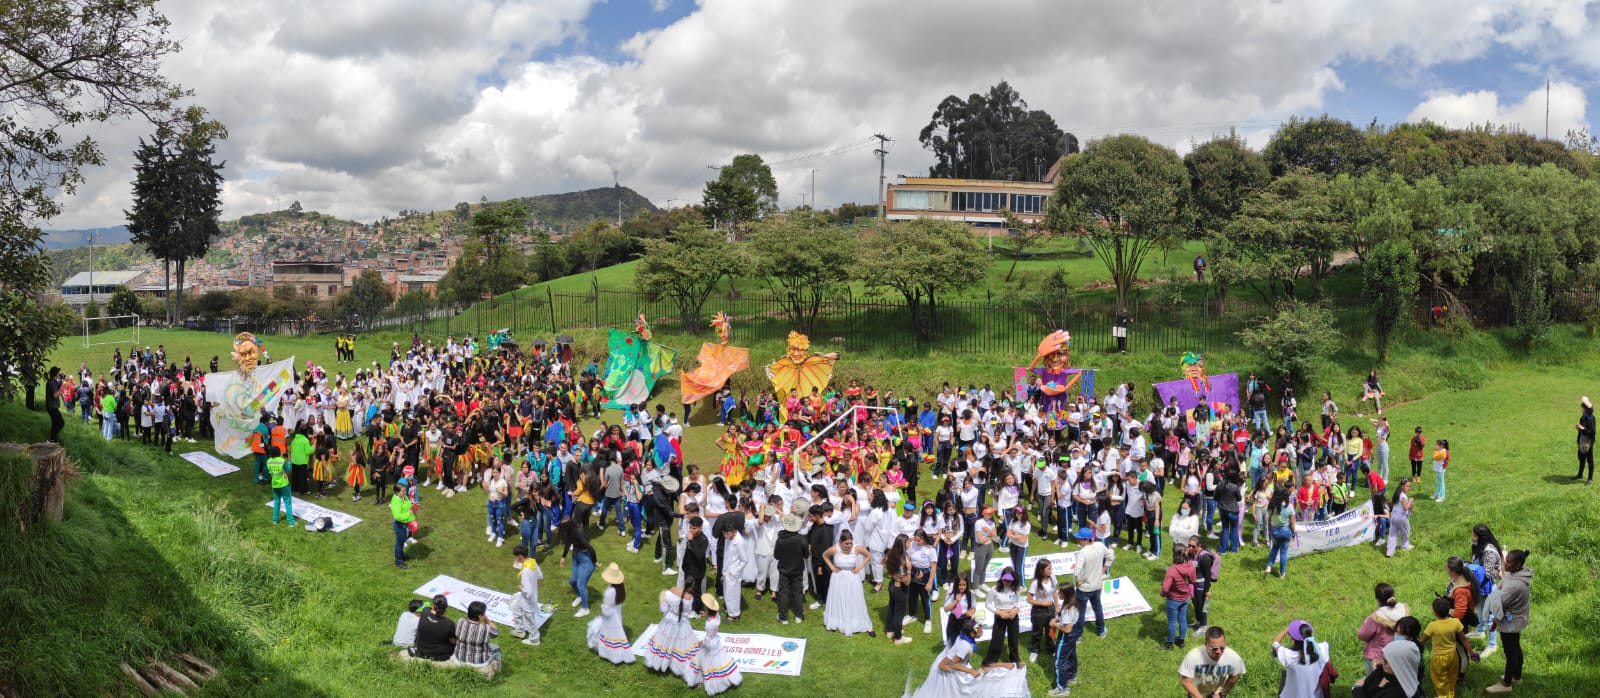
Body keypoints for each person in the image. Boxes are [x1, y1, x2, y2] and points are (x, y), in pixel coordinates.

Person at [911, 616, 1027, 698]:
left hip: (957, 664)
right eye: (979, 628)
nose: (981, 631)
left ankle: (1005, 666)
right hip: (952, 669)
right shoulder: (965, 646)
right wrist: (970, 671)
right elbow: (952, 664)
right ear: (972, 633)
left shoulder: (964, 637)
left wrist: (979, 621)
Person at [1484, 549, 1532, 694]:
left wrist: (1494, 620)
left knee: (1510, 653)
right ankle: (1517, 676)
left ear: (1518, 564)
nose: (1505, 563)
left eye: (1509, 562)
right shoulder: (1521, 574)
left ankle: (1506, 684)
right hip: (1518, 619)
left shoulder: (1514, 585)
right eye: (1506, 559)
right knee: (1516, 648)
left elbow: (1498, 604)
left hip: (1510, 623)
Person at [1422, 595, 1478, 698]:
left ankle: (1443, 696)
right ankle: (1450, 695)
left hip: (1439, 658)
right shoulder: (1455, 622)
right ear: (1449, 610)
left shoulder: (1432, 625)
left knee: (1439, 680)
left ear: (1434, 612)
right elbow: (1464, 639)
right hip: (1453, 656)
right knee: (1452, 678)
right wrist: (1472, 653)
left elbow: (1423, 641)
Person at [1353, 616, 1422, 698]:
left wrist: (1357, 690)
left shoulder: (1395, 693)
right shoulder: (1386, 670)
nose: (1382, 662)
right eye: (1396, 631)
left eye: (1386, 661)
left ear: (1401, 664)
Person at [644, 586, 700, 685]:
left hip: (668, 620)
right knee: (681, 645)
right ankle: (676, 665)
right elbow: (687, 612)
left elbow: (664, 608)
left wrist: (666, 610)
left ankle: (658, 663)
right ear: (691, 587)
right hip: (681, 622)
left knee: (664, 642)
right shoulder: (689, 599)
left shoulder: (671, 591)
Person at [823, 529, 874, 636]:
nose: (849, 545)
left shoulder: (857, 548)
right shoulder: (835, 548)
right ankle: (837, 621)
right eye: (846, 543)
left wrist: (860, 567)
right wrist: (832, 566)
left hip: (852, 577)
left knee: (855, 599)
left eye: (850, 543)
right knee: (838, 598)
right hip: (838, 577)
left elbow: (868, 556)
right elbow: (825, 555)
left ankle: (859, 623)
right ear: (841, 542)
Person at [1178, 626, 1245, 698]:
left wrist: (1222, 693)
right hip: (1196, 693)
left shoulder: (1233, 657)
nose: (1219, 652)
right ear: (1206, 645)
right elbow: (1186, 682)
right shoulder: (1193, 656)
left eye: (1222, 648)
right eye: (1214, 649)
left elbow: (1233, 678)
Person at [1357, 583, 1409, 676]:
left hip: (1378, 658)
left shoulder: (1375, 617)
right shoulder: (1403, 610)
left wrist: (1365, 622)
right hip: (1399, 654)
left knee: (1375, 684)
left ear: (1377, 599)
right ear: (1393, 596)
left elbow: (1362, 635)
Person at [587, 563, 634, 664]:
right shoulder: (620, 587)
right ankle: (614, 652)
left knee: (607, 633)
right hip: (617, 613)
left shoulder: (610, 592)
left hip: (610, 616)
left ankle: (609, 654)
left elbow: (606, 608)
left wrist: (601, 614)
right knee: (615, 634)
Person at [696, 593, 743, 695]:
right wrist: (706, 616)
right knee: (721, 662)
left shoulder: (710, 624)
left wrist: (701, 643)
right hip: (716, 642)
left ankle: (705, 681)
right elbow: (711, 620)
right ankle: (728, 680)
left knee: (706, 663)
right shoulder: (717, 616)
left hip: (710, 644)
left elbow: (708, 639)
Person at [1272, 620, 1331, 698]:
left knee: (1285, 673)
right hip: (1316, 696)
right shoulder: (1323, 648)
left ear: (1292, 639)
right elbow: (1328, 666)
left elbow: (1275, 643)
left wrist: (1288, 628)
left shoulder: (1289, 655)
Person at [1072, 527, 1113, 638]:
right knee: (1098, 608)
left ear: (1086, 540)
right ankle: (1101, 631)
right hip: (1097, 585)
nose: (1078, 541)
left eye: (1080, 539)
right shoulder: (1100, 546)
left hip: (1084, 588)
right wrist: (1103, 570)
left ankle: (1078, 635)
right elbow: (1111, 557)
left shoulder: (1083, 552)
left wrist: (1077, 581)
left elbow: (1076, 571)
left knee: (1081, 612)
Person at [983, 567, 1023, 666]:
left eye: (1009, 580)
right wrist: (999, 612)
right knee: (997, 639)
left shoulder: (1016, 588)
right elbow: (987, 604)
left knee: (1013, 639)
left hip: (1013, 616)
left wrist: (1015, 609)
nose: (1007, 582)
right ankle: (991, 660)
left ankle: (1015, 658)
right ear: (1001, 578)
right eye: (1005, 580)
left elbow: (1018, 601)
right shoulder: (994, 589)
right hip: (1000, 616)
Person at [773, 512, 808, 624]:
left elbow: (776, 556)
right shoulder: (801, 539)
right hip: (797, 569)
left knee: (783, 593)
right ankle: (799, 616)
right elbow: (806, 555)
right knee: (798, 592)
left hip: (784, 569)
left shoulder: (781, 539)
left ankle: (784, 617)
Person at [559, 517, 597, 618]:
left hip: (586, 561)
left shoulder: (578, 533)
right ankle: (580, 596)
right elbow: (567, 544)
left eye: (563, 527)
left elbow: (590, 548)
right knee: (572, 581)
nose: (562, 530)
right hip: (576, 558)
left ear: (568, 526)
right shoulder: (568, 531)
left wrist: (595, 561)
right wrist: (563, 557)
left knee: (581, 585)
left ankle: (585, 609)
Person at [1048, 585, 1080, 697]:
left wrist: (1054, 624)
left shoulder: (1067, 609)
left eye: (1060, 592)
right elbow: (1069, 621)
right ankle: (1072, 676)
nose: (1058, 593)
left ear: (1065, 594)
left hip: (1066, 637)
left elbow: (1067, 629)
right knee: (1071, 655)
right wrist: (1058, 619)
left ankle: (1062, 688)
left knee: (1059, 662)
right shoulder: (1073, 603)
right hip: (1074, 634)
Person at [1161, 546, 1195, 651]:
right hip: (1185, 599)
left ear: (1174, 554)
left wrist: (1162, 593)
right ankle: (1181, 641)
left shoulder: (1172, 570)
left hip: (1173, 600)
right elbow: (1193, 580)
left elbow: (1166, 588)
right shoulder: (1191, 566)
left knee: (1172, 622)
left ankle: (1170, 643)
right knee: (1183, 619)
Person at [510, 545, 544, 645]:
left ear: (520, 556)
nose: (515, 559)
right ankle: (520, 630)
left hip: (527, 600)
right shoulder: (532, 562)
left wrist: (521, 588)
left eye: (516, 557)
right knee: (515, 607)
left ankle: (534, 639)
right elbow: (540, 575)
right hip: (528, 596)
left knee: (529, 619)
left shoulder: (525, 572)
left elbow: (527, 591)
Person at [453, 600, 500, 670]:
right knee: (497, 648)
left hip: (459, 659)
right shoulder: (485, 629)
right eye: (484, 614)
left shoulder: (460, 621)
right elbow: (496, 632)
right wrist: (487, 620)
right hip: (478, 663)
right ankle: (498, 671)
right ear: (480, 616)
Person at [1026, 558, 1056, 664]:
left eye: (1051, 568)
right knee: (1037, 632)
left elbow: (1055, 593)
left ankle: (1051, 648)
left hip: (1051, 610)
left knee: (1050, 630)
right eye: (1049, 568)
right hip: (1038, 612)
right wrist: (1042, 603)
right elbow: (1029, 599)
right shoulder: (1035, 583)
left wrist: (1057, 606)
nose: (1051, 570)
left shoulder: (1053, 578)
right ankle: (1035, 650)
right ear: (1042, 570)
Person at [412, 595, 456, 661]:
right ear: (446, 608)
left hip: (421, 650)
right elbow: (453, 641)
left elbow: (427, 607)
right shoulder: (449, 623)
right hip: (437, 654)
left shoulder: (425, 611)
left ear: (433, 605)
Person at [1265, 488, 1294, 578]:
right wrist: (1293, 531)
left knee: (1274, 548)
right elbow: (1292, 522)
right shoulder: (1289, 506)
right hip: (1286, 531)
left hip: (1275, 531)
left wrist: (1270, 529)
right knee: (1283, 553)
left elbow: (1269, 520)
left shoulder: (1272, 505)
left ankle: (1269, 566)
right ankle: (1282, 573)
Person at [390, 476, 417, 569]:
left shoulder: (404, 497)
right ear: (397, 492)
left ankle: (401, 556)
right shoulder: (396, 502)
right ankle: (399, 561)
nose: (405, 492)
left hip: (405, 523)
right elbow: (397, 516)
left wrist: (413, 506)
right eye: (403, 491)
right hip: (399, 524)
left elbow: (408, 504)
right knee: (400, 542)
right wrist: (408, 513)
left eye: (405, 490)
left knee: (403, 539)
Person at [266, 445, 294, 527]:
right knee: (288, 502)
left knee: (277, 501)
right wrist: (289, 460)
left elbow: (271, 471)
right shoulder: (282, 460)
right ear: (279, 453)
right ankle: (291, 522)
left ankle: (275, 520)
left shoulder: (268, 461)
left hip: (274, 484)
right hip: (284, 484)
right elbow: (288, 470)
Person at [1385, 479, 1413, 557]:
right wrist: (1410, 501)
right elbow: (1406, 508)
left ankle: (1389, 551)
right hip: (1401, 517)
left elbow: (1393, 505)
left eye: (1409, 486)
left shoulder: (1397, 494)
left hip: (1393, 515)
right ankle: (1404, 545)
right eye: (1407, 486)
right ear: (1402, 486)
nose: (1409, 488)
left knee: (1392, 533)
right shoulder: (1403, 496)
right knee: (1406, 530)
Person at [1576, 396, 1595, 485]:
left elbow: (1592, 432)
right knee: (1581, 459)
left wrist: (1582, 428)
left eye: (1582, 407)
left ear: (1585, 409)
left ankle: (1590, 478)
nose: (1581, 409)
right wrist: (1579, 428)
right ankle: (1580, 475)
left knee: (1589, 460)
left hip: (1588, 442)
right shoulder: (1583, 417)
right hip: (1581, 441)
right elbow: (1583, 430)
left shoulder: (1591, 418)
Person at [45, 366, 64, 443]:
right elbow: (55, 395)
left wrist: (63, 381)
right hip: (52, 407)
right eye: (58, 373)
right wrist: (62, 389)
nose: (59, 374)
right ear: (56, 374)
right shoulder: (51, 382)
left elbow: (58, 385)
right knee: (61, 423)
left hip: (52, 406)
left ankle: (53, 440)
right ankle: (52, 439)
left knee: (55, 423)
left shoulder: (53, 381)